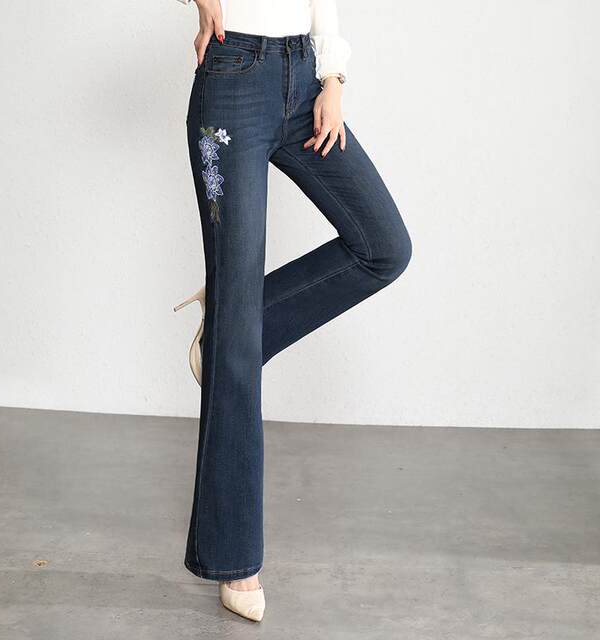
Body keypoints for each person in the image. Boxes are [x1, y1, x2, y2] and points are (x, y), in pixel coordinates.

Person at [173, 0, 412, 622]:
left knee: (383, 247)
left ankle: (229, 327)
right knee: (237, 345)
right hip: (231, 82)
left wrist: (332, 77)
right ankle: (234, 558)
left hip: (305, 78)